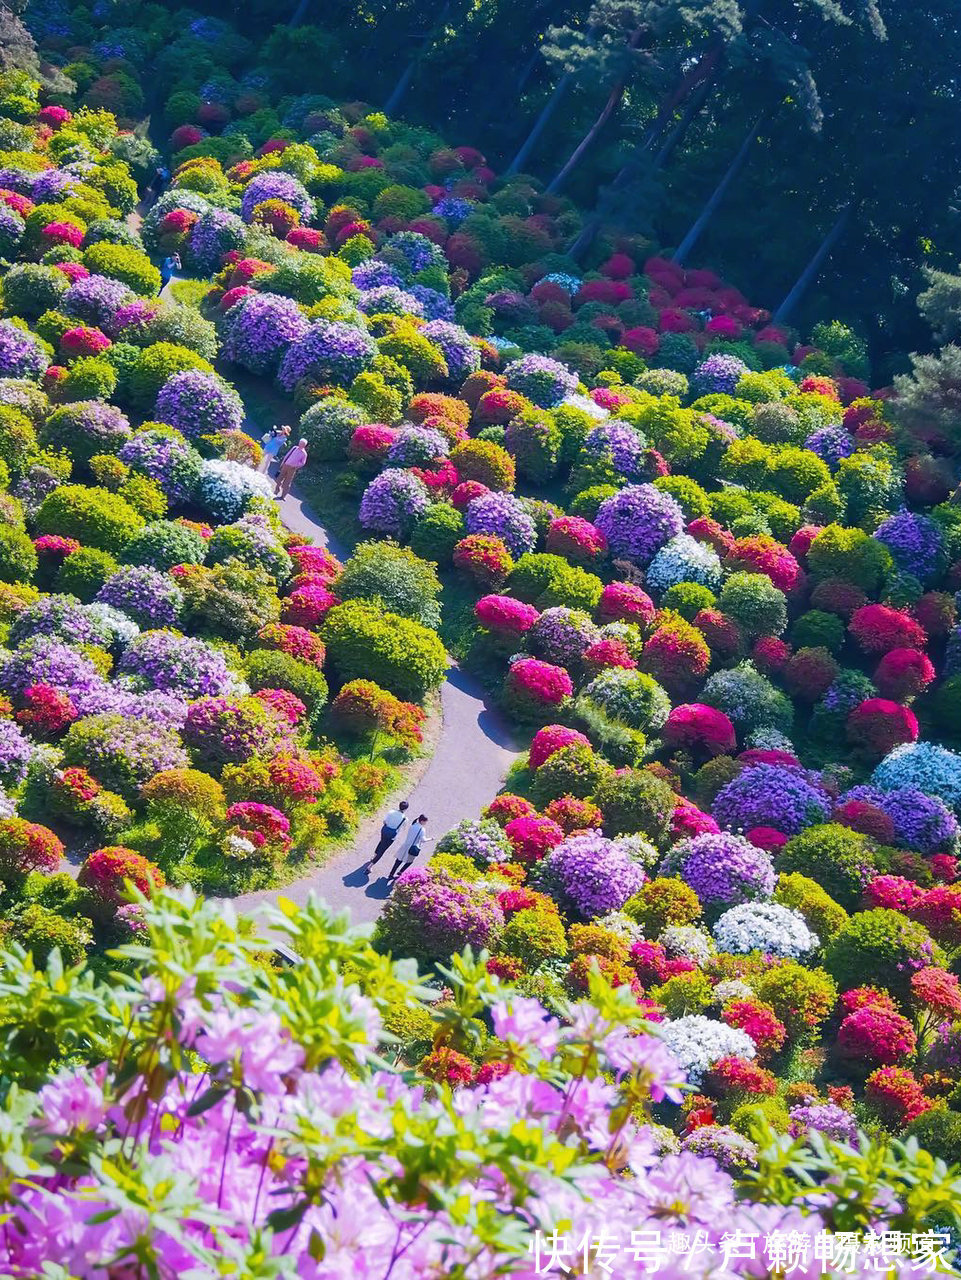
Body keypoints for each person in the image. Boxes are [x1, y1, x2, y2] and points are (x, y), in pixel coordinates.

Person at [364, 800, 409, 874]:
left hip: (384, 831)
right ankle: (370, 866)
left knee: (381, 842)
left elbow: (384, 821)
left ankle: (374, 856)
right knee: (382, 850)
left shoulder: (391, 812)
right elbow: (402, 828)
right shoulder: (405, 819)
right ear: (406, 809)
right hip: (392, 835)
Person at [387, 814, 429, 882]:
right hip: (412, 848)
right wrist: (430, 839)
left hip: (405, 845)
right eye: (425, 822)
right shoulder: (422, 829)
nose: (426, 823)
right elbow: (423, 840)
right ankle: (400, 872)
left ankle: (391, 874)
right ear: (422, 821)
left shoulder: (413, 825)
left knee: (398, 861)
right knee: (409, 861)